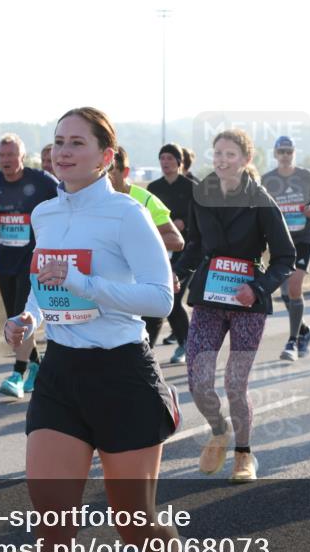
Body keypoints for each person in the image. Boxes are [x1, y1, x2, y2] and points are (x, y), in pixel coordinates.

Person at [6, 107, 187, 552]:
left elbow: (160, 297)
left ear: (106, 157)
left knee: (132, 526)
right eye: (59, 141)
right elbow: (45, 282)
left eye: (77, 143)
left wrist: (87, 285)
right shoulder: (44, 214)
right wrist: (27, 319)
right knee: (52, 525)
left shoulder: (126, 214)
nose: (63, 151)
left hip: (122, 374)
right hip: (61, 374)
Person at [173, 129, 295, 482]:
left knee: (235, 385)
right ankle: (219, 429)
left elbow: (286, 257)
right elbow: (194, 245)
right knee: (198, 380)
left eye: (231, 155)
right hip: (209, 299)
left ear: (245, 160)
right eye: (219, 154)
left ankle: (244, 455)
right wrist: (178, 273)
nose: (223, 160)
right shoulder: (202, 195)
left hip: (247, 302)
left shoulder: (262, 201)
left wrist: (257, 288)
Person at [0, 134, 59, 398]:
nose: (6, 160)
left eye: (11, 155)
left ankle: (17, 373)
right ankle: (36, 366)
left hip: (33, 262)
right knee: (14, 317)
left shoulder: (42, 182)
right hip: (5, 262)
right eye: (2, 156)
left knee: (21, 317)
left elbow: (68, 205)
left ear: (22, 156)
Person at [108, 145, 185, 346]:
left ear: (124, 172)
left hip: (145, 287)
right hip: (111, 291)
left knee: (140, 354)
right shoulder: (92, 200)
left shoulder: (144, 199)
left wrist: (134, 239)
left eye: (110, 171)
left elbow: (177, 241)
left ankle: (185, 344)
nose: (104, 177)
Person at [261, 135, 310, 361]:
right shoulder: (267, 180)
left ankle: (293, 341)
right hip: (281, 240)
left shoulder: (306, 176)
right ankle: (305, 331)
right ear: (275, 154)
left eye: (289, 151)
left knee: (295, 286)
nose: (285, 156)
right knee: (286, 292)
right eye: (281, 152)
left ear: (294, 153)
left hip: (304, 238)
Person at [148, 143, 197, 364]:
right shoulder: (153, 187)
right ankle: (147, 349)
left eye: (169, 158)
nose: (165, 162)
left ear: (179, 162)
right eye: (162, 158)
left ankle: (186, 343)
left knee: (174, 299)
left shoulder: (192, 187)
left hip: (186, 252)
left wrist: (183, 223)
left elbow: (201, 219)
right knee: (160, 300)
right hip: (159, 250)